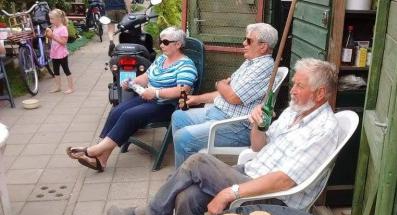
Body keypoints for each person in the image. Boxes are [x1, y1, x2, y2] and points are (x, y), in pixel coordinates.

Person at [106, 58, 339, 215]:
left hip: (275, 198)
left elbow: (285, 182)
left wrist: (231, 192)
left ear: (320, 93)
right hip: (252, 171)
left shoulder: (323, 130)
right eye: (294, 83)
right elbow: (259, 147)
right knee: (188, 196)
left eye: (300, 85)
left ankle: (152, 214)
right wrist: (258, 126)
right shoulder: (294, 112)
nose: (292, 90)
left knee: (198, 162)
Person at [66, 27, 197, 172]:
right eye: (160, 41)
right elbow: (147, 76)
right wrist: (132, 82)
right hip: (148, 97)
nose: (161, 45)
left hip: (167, 105)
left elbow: (182, 90)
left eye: (165, 42)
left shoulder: (186, 65)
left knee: (129, 115)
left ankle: (91, 151)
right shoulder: (162, 59)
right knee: (117, 110)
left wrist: (156, 93)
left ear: (178, 44)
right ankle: (101, 159)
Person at [171, 23, 277, 167]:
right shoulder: (250, 63)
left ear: (263, 46)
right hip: (219, 112)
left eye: (249, 40)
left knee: (183, 138)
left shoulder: (263, 67)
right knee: (178, 116)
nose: (244, 43)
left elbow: (233, 97)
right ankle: (189, 170)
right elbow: (226, 94)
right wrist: (198, 99)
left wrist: (220, 84)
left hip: (236, 125)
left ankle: (183, 179)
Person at [45, 9, 74, 94]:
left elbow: (63, 42)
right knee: (56, 71)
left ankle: (71, 87)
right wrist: (48, 35)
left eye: (52, 19)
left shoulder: (63, 29)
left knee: (66, 70)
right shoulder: (54, 28)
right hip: (54, 53)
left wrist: (52, 36)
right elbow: (52, 39)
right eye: (50, 19)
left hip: (61, 54)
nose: (51, 21)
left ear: (59, 19)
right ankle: (58, 86)